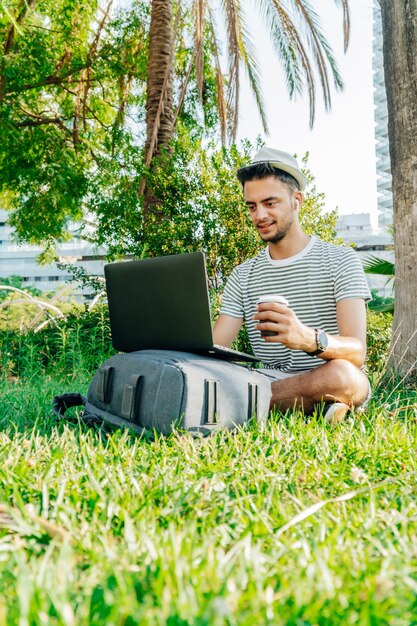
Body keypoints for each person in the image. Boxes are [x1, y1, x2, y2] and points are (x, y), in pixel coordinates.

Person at [213, 147, 372, 423]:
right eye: (252, 206)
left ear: (296, 200)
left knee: (345, 377)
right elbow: (217, 346)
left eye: (270, 203)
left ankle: (243, 404)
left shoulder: (340, 259)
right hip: (268, 378)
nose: (259, 215)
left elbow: (357, 351)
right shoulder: (243, 274)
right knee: (218, 374)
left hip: (329, 375)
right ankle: (312, 406)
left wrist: (306, 338)